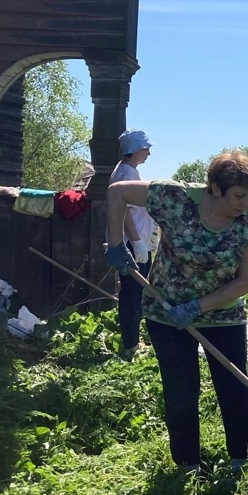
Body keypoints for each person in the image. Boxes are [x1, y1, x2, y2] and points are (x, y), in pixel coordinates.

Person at [105, 150, 248, 476]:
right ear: (214, 187)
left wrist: (197, 307)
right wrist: (115, 244)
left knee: (234, 386)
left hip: (223, 315)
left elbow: (244, 281)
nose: (246, 203)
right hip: (165, 311)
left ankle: (242, 462)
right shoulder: (175, 198)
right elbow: (117, 191)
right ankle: (188, 466)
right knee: (181, 388)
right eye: (239, 195)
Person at [109, 129, 156, 358]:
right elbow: (125, 212)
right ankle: (130, 344)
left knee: (135, 293)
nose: (148, 153)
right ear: (135, 149)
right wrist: (136, 242)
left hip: (139, 242)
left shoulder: (129, 171)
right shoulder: (125, 174)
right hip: (133, 243)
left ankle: (132, 340)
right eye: (146, 148)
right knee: (132, 293)